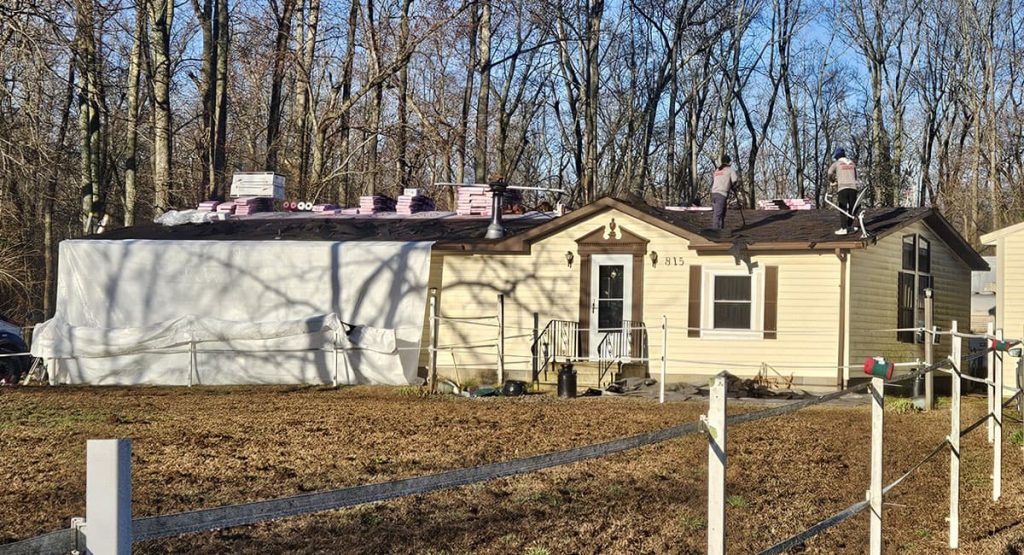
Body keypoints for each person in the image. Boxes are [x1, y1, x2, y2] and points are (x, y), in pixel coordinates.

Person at [827, 148, 859, 235]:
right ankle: (849, 225)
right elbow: (855, 177)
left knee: (843, 208)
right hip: (853, 188)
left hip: (842, 188)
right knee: (852, 208)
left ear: (837, 156)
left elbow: (829, 173)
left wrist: (833, 181)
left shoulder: (837, 164)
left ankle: (843, 228)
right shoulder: (852, 163)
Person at [711, 155, 738, 231]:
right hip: (721, 194)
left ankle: (720, 230)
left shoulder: (717, 170)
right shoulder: (730, 170)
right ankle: (715, 231)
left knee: (721, 212)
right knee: (718, 214)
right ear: (729, 162)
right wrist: (732, 186)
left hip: (713, 193)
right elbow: (735, 180)